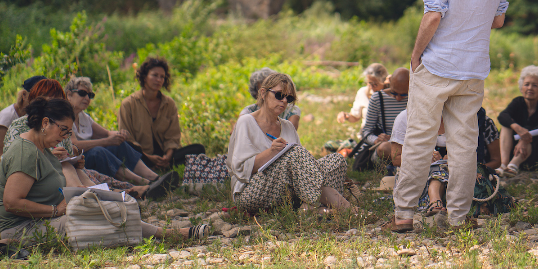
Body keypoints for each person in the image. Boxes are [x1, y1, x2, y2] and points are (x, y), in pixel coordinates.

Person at [390, 0, 510, 233]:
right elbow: (498, 20)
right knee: (463, 145)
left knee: (418, 140)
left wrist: (415, 56)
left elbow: (433, 14)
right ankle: (458, 218)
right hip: (472, 69)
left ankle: (403, 215)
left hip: (438, 65)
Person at [0, 97, 208, 244]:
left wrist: (77, 171)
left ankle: (165, 233)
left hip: (45, 219)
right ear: (45, 123)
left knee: (112, 210)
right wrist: (55, 211)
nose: (65, 137)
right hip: (23, 228)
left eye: (69, 132)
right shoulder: (26, 151)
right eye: (63, 130)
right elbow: (12, 202)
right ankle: (168, 234)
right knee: (97, 218)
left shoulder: (44, 149)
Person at [227, 73, 351, 213]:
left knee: (336, 160)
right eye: (279, 95)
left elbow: (301, 168)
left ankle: (309, 208)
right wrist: (271, 152)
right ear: (263, 93)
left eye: (289, 98)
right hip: (250, 192)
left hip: (286, 191)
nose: (284, 101)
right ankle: (345, 209)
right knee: (294, 153)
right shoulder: (246, 122)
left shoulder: (287, 126)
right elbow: (239, 169)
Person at [65, 76, 178, 199]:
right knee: (98, 151)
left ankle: (155, 177)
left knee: (117, 144)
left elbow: (107, 133)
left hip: (89, 157)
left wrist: (119, 135)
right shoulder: (64, 116)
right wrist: (106, 141)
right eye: (82, 93)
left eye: (90, 95)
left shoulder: (83, 117)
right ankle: (144, 182)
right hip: (77, 163)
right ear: (69, 95)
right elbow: (74, 145)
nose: (87, 98)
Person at [119, 57, 205, 170]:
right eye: (155, 75)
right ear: (144, 77)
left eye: (162, 77)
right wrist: (148, 157)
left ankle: (163, 166)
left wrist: (167, 157)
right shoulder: (128, 104)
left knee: (198, 150)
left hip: (165, 157)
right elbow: (127, 139)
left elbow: (173, 136)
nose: (159, 80)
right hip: (141, 157)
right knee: (125, 148)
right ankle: (149, 168)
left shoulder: (169, 104)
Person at [496, 66, 538, 176]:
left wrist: (523, 139)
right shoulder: (517, 102)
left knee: (531, 135)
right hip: (519, 151)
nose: (530, 88)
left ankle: (513, 165)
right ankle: (504, 164)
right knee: (506, 126)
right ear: (521, 88)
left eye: (535, 85)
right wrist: (517, 127)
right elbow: (503, 116)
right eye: (526, 84)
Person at [0, 75, 45, 172]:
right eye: (37, 95)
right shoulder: (6, 117)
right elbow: (0, 157)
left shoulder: (34, 116)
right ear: (24, 95)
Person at [360, 68, 410, 165]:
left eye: (403, 94)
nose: (398, 98)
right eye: (394, 93)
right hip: (388, 146)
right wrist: (376, 140)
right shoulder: (378, 98)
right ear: (390, 82)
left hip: (410, 144)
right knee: (384, 148)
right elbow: (366, 131)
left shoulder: (415, 98)